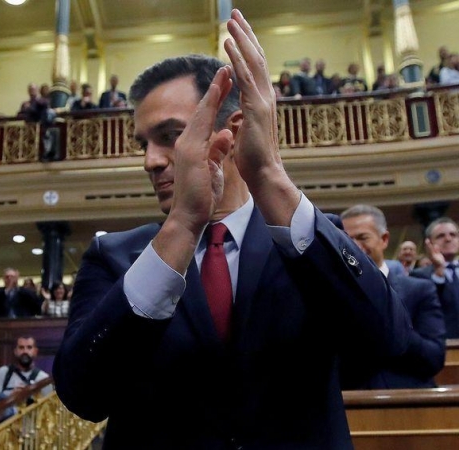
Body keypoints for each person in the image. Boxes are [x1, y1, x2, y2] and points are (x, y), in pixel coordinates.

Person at [52, 9, 410, 449]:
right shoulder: (114, 257)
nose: (150, 160)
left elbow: (387, 342)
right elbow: (84, 394)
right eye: (142, 143)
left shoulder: (309, 243)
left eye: (170, 135)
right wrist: (182, 226)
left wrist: (271, 177)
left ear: (234, 129)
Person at [340, 205, 445, 389]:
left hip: (410, 401)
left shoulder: (420, 289)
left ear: (384, 239)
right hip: (350, 403)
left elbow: (433, 358)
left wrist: (386, 314)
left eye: (362, 237)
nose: (354, 246)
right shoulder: (329, 292)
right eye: (347, 239)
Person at [411, 217, 459, 338]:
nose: (448, 239)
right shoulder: (418, 276)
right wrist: (439, 272)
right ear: (429, 244)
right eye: (440, 236)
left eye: (453, 235)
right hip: (444, 346)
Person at [0, 336, 52, 419]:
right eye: (21, 348)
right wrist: (10, 397)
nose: (25, 351)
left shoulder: (44, 378)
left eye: (29, 347)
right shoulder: (3, 372)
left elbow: (48, 410)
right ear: (15, 351)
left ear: (35, 351)